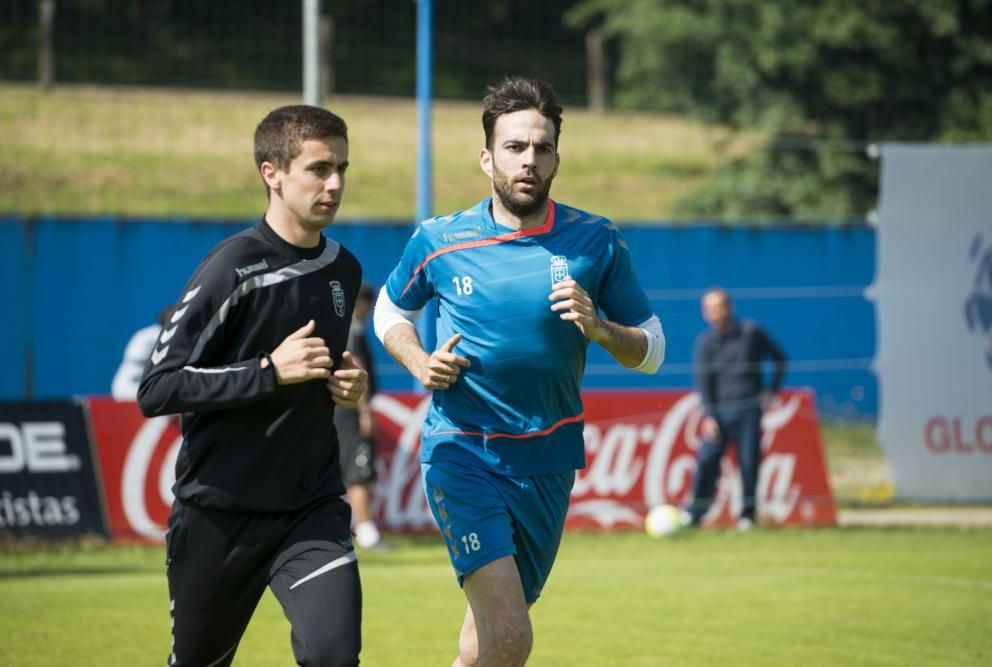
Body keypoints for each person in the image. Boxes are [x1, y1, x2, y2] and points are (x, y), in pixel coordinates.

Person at [373, 76, 665, 666]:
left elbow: (654, 348)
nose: (528, 160)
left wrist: (602, 329)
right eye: (514, 147)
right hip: (463, 453)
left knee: (482, 644)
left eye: (542, 147)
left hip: (550, 462)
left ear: (557, 156)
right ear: (487, 158)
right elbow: (389, 309)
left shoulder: (596, 240)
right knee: (511, 638)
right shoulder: (439, 238)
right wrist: (419, 360)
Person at [137, 105, 367, 667]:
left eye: (341, 167)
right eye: (318, 168)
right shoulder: (231, 267)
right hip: (219, 515)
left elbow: (322, 367)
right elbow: (158, 388)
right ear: (273, 173)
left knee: (334, 658)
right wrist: (268, 372)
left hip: (311, 508)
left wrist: (348, 382)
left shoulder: (345, 270)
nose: (334, 183)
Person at [683, 287, 787, 531]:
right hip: (719, 413)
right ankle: (695, 514)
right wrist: (709, 415)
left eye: (717, 307)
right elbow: (703, 381)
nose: (712, 313)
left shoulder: (751, 332)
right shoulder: (705, 342)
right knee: (707, 461)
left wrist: (772, 390)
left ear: (729, 307)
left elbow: (779, 358)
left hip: (749, 411)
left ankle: (747, 516)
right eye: (708, 308)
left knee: (749, 462)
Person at [333, 282, 390, 550]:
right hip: (352, 411)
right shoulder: (353, 331)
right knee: (360, 469)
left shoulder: (335, 329)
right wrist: (365, 412)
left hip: (338, 410)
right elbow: (357, 368)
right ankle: (367, 533)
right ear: (362, 304)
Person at [111, 305, 172, 400]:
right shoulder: (152, 335)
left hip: (139, 383)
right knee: (162, 398)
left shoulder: (156, 333)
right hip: (129, 384)